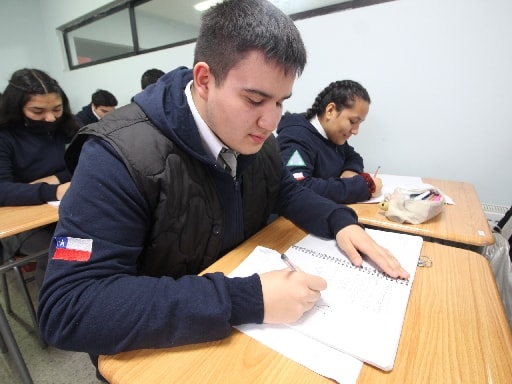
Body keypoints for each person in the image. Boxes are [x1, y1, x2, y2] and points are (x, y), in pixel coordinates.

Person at [38, 0, 409, 364]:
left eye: (280, 102)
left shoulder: (256, 138)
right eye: (254, 99)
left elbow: (285, 190)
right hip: (157, 351)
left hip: (232, 327)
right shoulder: (114, 155)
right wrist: (245, 300)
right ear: (204, 80)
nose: (271, 121)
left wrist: (340, 223)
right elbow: (69, 307)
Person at [0, 68, 79, 284]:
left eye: (57, 108)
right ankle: (55, 312)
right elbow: (3, 190)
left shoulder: (66, 127)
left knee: (109, 235)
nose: (50, 117)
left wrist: (55, 178)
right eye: (37, 111)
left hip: (63, 212)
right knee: (72, 250)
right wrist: (53, 190)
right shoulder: (5, 137)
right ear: (17, 108)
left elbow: (85, 161)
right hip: (22, 223)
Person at [277, 80, 382, 204]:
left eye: (359, 123)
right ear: (330, 110)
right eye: (353, 121)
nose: (355, 131)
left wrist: (350, 171)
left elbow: (353, 157)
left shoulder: (333, 135)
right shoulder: (297, 137)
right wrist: (365, 186)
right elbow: (298, 186)